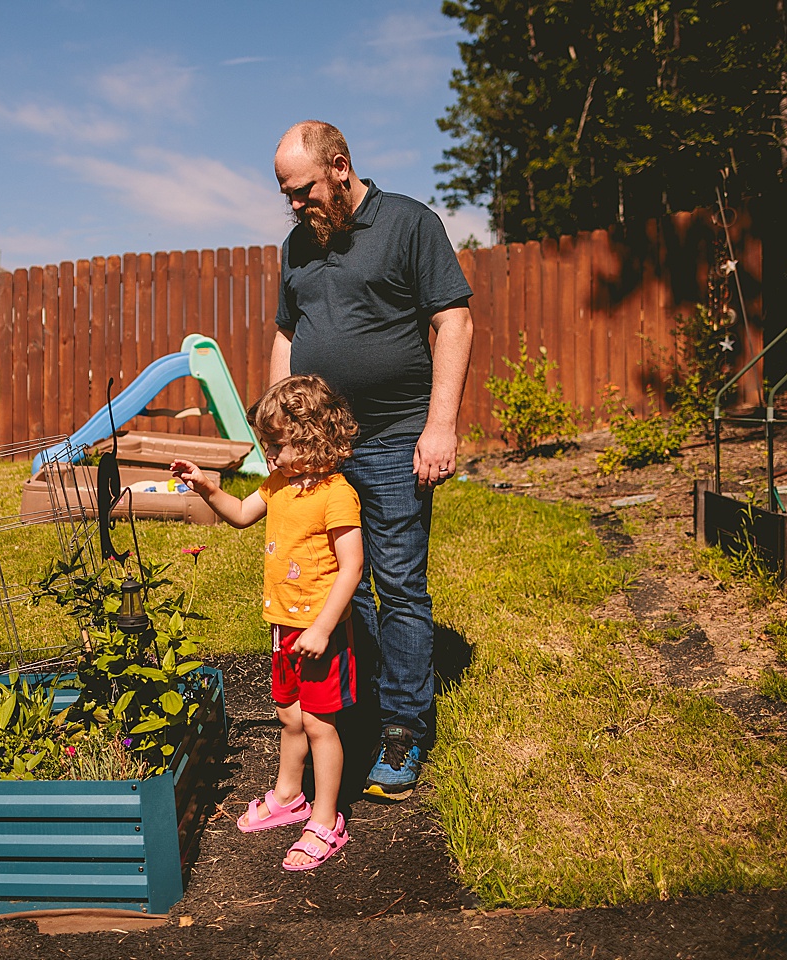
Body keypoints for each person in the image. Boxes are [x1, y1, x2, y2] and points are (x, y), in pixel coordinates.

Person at [270, 120, 474, 801]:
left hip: (393, 438)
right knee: (340, 587)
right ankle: (351, 710)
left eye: (304, 192)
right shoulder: (297, 246)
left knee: (398, 586)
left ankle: (404, 728)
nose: (297, 207)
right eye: (287, 196)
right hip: (320, 451)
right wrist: (276, 429)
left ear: (341, 166)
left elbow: (454, 320)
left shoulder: (409, 224)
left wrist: (439, 426)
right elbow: (287, 335)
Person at [171, 374, 364, 871]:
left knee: (321, 725)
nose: (269, 454)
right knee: (289, 716)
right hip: (283, 624)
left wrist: (323, 627)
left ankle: (325, 819)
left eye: (276, 444)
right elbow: (238, 514)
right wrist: (208, 487)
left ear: (311, 436)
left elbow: (353, 568)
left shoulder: (337, 495)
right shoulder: (280, 483)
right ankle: (289, 795)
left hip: (319, 631)